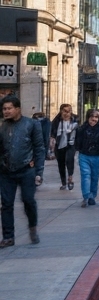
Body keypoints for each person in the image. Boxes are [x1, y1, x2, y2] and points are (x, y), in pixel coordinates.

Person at [0, 95, 45, 246]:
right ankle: (8, 237)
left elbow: (39, 148)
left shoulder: (31, 124)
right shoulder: (2, 126)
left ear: (17, 108)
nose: (6, 111)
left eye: (9, 108)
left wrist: (39, 172)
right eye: (4, 109)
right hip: (6, 172)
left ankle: (32, 227)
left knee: (28, 200)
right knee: (6, 204)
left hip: (26, 170)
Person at [75, 110, 99, 207]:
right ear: (88, 118)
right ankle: (86, 196)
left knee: (94, 177)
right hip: (84, 155)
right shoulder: (82, 129)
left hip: (97, 156)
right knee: (85, 175)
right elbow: (77, 143)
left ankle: (92, 195)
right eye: (92, 119)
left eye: (96, 119)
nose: (93, 121)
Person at [50, 103, 78, 191]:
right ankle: (63, 183)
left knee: (69, 159)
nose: (67, 113)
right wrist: (52, 141)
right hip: (59, 145)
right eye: (65, 111)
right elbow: (52, 133)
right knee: (61, 163)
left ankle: (70, 178)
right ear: (61, 111)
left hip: (70, 144)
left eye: (69, 111)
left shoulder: (75, 120)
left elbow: (79, 131)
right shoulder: (56, 121)